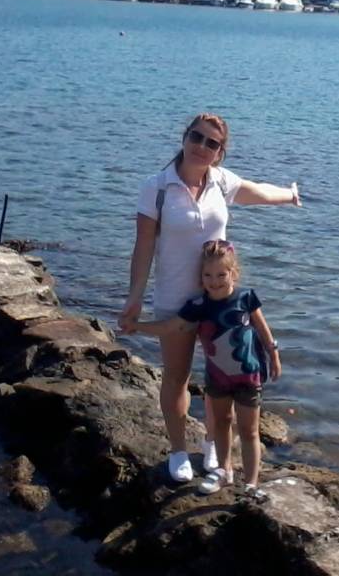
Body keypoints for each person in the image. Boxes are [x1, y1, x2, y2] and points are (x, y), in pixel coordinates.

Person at [119, 113, 299, 483]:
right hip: (175, 298)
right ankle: (178, 451)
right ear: (185, 137)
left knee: (222, 377)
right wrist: (134, 298)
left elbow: (258, 192)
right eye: (196, 137)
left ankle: (212, 445)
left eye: (212, 143)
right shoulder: (156, 188)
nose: (202, 147)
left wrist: (289, 195)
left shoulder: (220, 181)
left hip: (220, 300)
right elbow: (144, 247)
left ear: (220, 152)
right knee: (177, 377)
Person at [131, 240, 280, 496]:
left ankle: (251, 484)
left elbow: (263, 330)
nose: (214, 281)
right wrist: (136, 326)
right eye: (207, 275)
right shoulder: (198, 306)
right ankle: (223, 471)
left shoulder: (246, 298)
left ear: (233, 273)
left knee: (249, 430)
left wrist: (273, 354)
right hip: (218, 378)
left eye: (221, 274)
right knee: (221, 423)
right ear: (200, 277)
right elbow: (169, 327)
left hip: (249, 376)